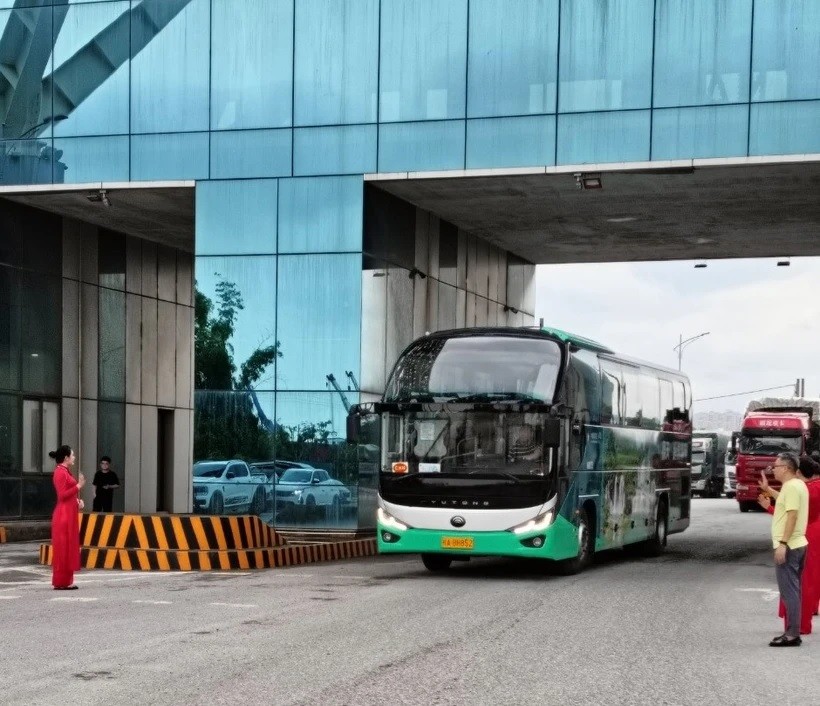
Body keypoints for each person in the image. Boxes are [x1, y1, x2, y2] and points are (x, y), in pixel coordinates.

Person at [759, 455, 820, 634]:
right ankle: (800, 624)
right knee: (804, 582)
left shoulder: (800, 487)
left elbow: (791, 514)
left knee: (795, 586)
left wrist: (783, 543)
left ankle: (795, 629)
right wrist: (769, 491)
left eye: (776, 466)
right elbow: (788, 503)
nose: (773, 469)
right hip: (808, 535)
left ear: (796, 471)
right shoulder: (804, 487)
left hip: (800, 537)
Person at [50, 445, 84, 590]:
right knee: (63, 548)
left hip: (68, 513)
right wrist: (78, 486)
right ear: (66, 457)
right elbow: (62, 495)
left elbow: (68, 495)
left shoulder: (64, 471)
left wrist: (77, 501)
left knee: (67, 547)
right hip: (63, 516)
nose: (74, 457)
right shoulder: (60, 472)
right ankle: (60, 582)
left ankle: (65, 581)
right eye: (72, 455)